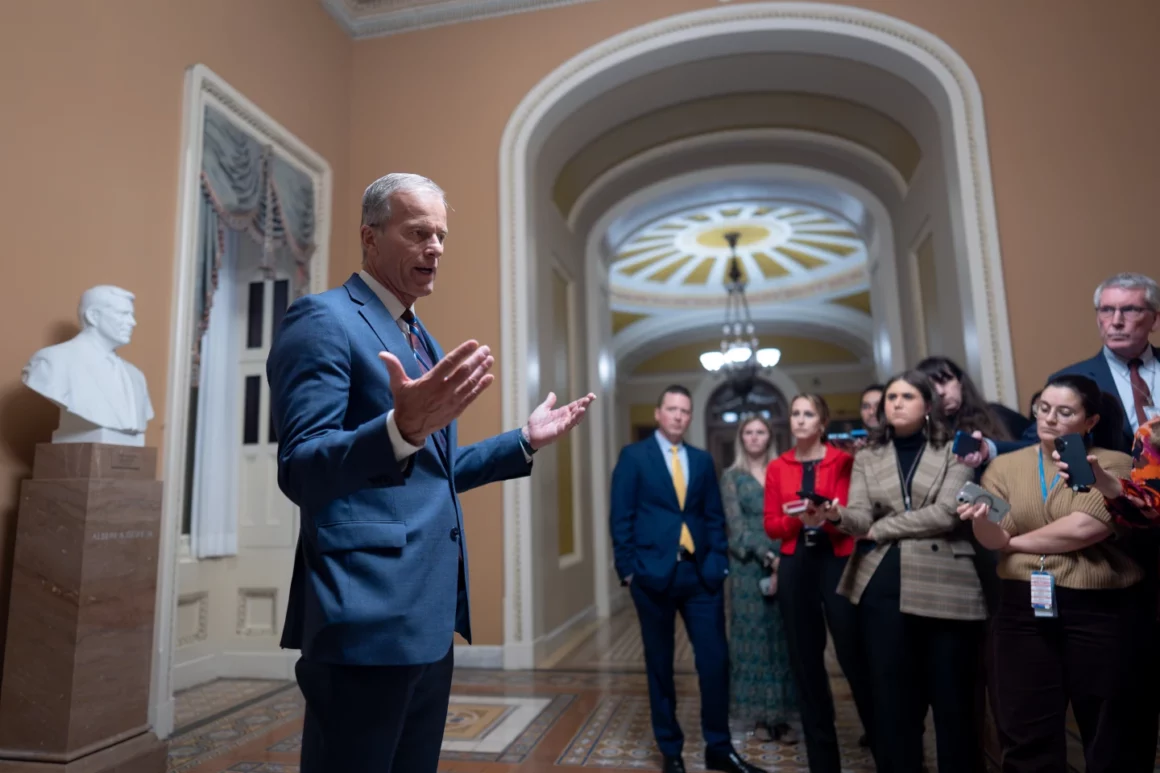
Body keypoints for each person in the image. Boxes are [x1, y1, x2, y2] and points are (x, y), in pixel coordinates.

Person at [266, 173, 594, 773]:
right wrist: (398, 429)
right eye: (418, 233)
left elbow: (429, 471)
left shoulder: (420, 336)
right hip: (364, 616)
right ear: (370, 237)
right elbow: (301, 467)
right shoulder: (323, 319)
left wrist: (521, 442)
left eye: (441, 235)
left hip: (427, 616)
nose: (435, 247)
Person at [959, 375, 1150, 772]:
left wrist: (1012, 541)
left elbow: (1085, 529)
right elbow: (994, 537)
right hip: (1022, 610)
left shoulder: (1112, 464)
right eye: (1043, 408)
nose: (1049, 418)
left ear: (1090, 421)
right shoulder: (1004, 466)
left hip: (1099, 609)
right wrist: (982, 522)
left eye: (1064, 412)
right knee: (1025, 730)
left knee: (1111, 733)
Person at [826, 371, 985, 773]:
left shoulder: (958, 447)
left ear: (928, 405)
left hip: (947, 586)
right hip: (882, 589)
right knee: (893, 704)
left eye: (907, 396)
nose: (895, 403)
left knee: (954, 704)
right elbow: (860, 516)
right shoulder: (868, 456)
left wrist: (883, 528)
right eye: (891, 397)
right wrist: (836, 515)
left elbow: (947, 513)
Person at [610, 385, 766, 773]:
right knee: (660, 666)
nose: (679, 415)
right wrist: (628, 571)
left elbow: (714, 515)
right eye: (672, 409)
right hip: (651, 577)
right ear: (659, 413)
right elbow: (621, 516)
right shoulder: (634, 457)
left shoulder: (701, 460)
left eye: (685, 410)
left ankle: (719, 747)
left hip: (700, 575)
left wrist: (719, 563)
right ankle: (671, 751)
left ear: (690, 417)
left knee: (715, 661)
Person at [763, 394, 875, 772]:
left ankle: (886, 748)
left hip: (837, 561)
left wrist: (827, 517)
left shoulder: (843, 461)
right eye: (795, 413)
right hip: (796, 565)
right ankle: (823, 763)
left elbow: (855, 515)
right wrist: (797, 519)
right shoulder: (778, 467)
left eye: (808, 414)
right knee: (806, 665)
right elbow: (771, 525)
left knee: (854, 657)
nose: (800, 419)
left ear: (822, 422)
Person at [720, 417, 797, 744]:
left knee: (783, 638)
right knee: (752, 640)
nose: (754, 437)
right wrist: (768, 557)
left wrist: (783, 559)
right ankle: (761, 717)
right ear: (741, 438)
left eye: (760, 432)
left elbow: (793, 515)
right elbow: (736, 528)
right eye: (748, 432)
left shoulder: (783, 471)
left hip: (787, 560)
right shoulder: (731, 477)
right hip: (748, 568)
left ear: (769, 436)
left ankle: (783, 716)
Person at [22, 284, 154, 442]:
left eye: (132, 315)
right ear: (93, 316)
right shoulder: (51, 362)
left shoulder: (136, 376)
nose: (133, 322)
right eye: (123, 314)